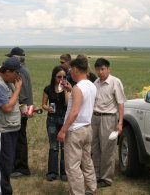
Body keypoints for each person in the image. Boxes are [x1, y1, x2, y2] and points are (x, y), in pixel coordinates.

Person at [57, 58, 97, 195]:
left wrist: (63, 130)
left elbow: (74, 112)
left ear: (75, 69)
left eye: (70, 70)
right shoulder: (92, 86)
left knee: (73, 167)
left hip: (75, 130)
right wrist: (71, 90)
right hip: (87, 128)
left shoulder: (78, 88)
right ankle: (92, 189)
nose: (70, 73)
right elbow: (85, 103)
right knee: (87, 162)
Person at [0, 56, 24, 195]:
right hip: (0, 130)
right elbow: (6, 108)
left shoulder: (7, 81)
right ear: (8, 71)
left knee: (6, 165)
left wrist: (21, 108)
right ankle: (2, 191)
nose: (18, 76)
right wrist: (18, 89)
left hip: (10, 128)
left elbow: (12, 103)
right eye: (16, 73)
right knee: (2, 166)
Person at [91, 58, 126, 188]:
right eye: (98, 69)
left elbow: (121, 103)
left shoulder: (115, 82)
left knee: (107, 149)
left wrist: (120, 122)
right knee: (95, 148)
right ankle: (96, 175)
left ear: (108, 69)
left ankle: (106, 178)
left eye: (102, 69)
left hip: (109, 118)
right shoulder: (95, 83)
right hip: (95, 118)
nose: (100, 72)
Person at [5, 47, 33, 177]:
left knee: (19, 139)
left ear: (16, 58)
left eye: (11, 57)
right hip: (24, 108)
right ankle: (18, 166)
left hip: (21, 109)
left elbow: (22, 93)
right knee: (19, 137)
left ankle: (21, 168)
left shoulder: (20, 72)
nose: (8, 59)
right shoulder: (23, 69)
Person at [41, 65, 70, 182]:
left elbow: (68, 104)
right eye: (59, 77)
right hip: (52, 119)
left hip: (64, 119)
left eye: (64, 77)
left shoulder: (67, 88)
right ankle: (52, 172)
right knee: (53, 146)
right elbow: (43, 104)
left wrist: (66, 91)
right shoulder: (48, 89)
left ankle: (64, 172)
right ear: (54, 77)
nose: (61, 79)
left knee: (64, 147)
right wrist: (47, 108)